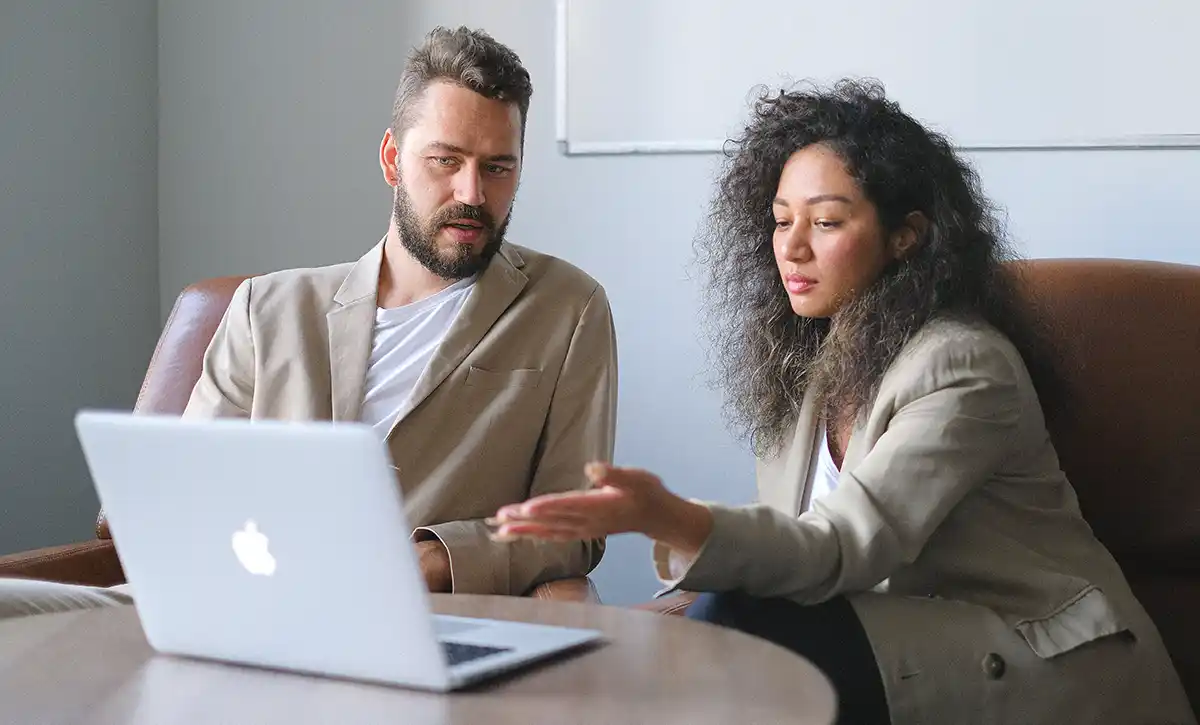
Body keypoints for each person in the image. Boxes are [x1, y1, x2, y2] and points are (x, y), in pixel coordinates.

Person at [490, 81, 1195, 724]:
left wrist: (669, 517)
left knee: (745, 628)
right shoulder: (806, 368)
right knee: (690, 638)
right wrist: (639, 624)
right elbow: (779, 552)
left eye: (825, 223)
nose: (791, 248)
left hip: (1049, 661)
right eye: (779, 220)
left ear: (905, 236)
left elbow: (842, 547)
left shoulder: (963, 363)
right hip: (898, 641)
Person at [1, 26, 615, 619]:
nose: (472, 193)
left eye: (498, 168)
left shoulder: (566, 307)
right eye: (445, 160)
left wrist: (428, 562)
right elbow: (186, 495)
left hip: (407, 620)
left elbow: (576, 524)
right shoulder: (266, 308)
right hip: (214, 603)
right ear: (393, 160)